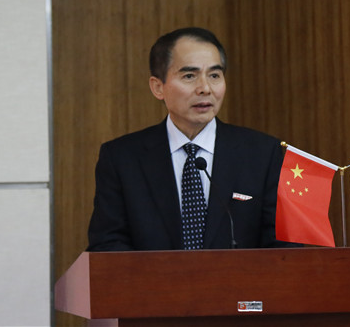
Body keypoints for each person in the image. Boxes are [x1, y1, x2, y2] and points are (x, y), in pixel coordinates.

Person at [87, 27, 297, 251]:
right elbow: (107, 247)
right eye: (189, 76)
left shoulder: (262, 154)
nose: (205, 89)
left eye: (214, 76)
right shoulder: (122, 159)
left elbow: (283, 248)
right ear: (158, 87)